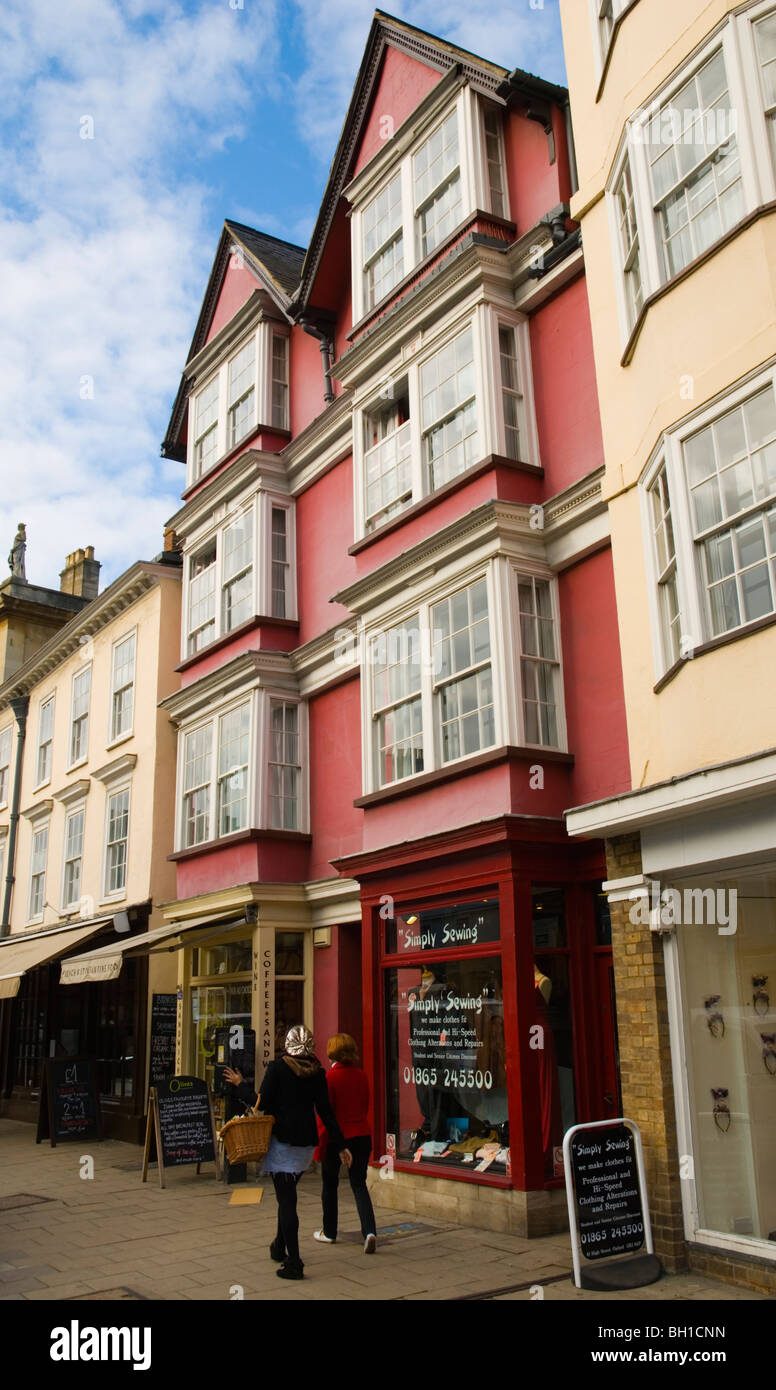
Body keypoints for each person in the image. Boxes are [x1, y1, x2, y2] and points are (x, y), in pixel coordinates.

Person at [224, 1024, 352, 1281]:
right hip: (306, 1144)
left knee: (287, 1201)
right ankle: (279, 1245)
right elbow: (326, 1112)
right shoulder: (317, 1072)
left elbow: (261, 1102)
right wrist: (340, 1144)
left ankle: (294, 1261)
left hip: (282, 1142)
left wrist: (240, 1085)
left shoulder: (279, 1068)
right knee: (288, 1196)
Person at [313, 1033, 377, 1255]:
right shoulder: (361, 1076)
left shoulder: (330, 1078)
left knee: (330, 1184)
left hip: (337, 1137)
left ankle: (329, 1231)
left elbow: (325, 1114)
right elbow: (365, 1105)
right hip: (361, 1134)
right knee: (359, 1183)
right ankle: (369, 1231)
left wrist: (321, 1145)